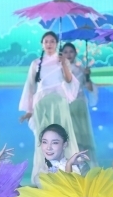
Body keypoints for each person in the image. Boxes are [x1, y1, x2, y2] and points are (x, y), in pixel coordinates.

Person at [19, 32, 80, 173]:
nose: (49, 44)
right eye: (46, 41)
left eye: (52, 41)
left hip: (59, 104)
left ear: (57, 44)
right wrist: (29, 110)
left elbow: (69, 80)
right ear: (42, 44)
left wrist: (64, 63)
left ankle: (65, 171)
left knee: (62, 136)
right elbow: (30, 87)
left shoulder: (62, 61)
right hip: (42, 105)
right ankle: (43, 171)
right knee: (43, 138)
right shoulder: (36, 63)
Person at [64, 43, 98, 167]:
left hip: (79, 105)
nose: (68, 54)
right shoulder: (59, 70)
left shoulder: (81, 69)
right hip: (65, 106)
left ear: (75, 53)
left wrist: (87, 76)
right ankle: (70, 163)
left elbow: (89, 88)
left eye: (71, 52)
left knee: (82, 134)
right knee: (69, 134)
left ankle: (85, 164)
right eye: (65, 52)